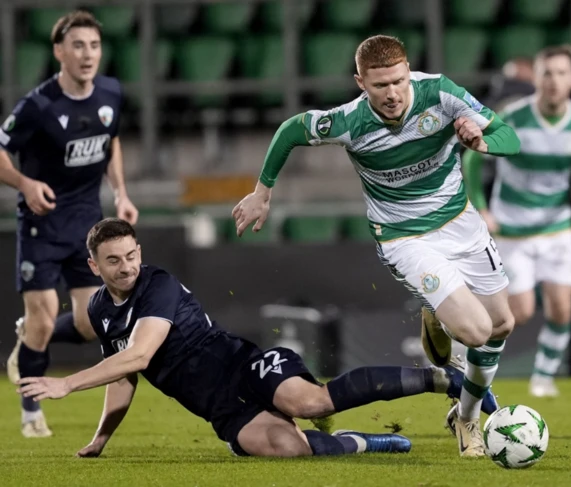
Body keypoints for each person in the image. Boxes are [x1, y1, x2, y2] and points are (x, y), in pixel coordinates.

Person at [231, 35, 520, 457]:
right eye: (380, 85)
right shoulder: (348, 121)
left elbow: (510, 137)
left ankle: (465, 416)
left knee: (502, 325)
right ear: (360, 82)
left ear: (409, 73)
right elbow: (291, 129)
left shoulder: (441, 93)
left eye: (399, 81)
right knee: (474, 330)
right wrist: (263, 192)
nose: (392, 94)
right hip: (404, 237)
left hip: (462, 225)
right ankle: (443, 325)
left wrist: (482, 141)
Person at [18, 218, 496, 458]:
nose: (127, 267)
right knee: (288, 450)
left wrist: (65, 383)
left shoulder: (156, 285)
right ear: (94, 267)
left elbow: (140, 353)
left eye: (131, 255)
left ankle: (444, 380)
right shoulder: (101, 308)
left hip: (243, 365)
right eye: (114, 261)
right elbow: (124, 376)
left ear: (139, 251)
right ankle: (367, 443)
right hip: (220, 408)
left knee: (310, 403)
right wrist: (101, 438)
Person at [0, 10, 138, 437]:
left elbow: (110, 142)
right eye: (78, 45)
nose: (87, 54)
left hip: (86, 225)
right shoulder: (38, 105)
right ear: (59, 51)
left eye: (94, 45)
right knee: (42, 321)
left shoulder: (111, 93)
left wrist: (120, 192)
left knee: (87, 323)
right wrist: (24, 183)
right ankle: (30, 413)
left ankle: (28, 338)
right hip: (41, 225)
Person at [462, 45, 571, 398]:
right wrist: (480, 205)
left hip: (557, 230)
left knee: (561, 307)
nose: (553, 81)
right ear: (535, 78)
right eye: (547, 73)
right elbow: (474, 159)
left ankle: (542, 377)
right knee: (517, 314)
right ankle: (464, 358)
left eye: (560, 73)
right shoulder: (513, 118)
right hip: (512, 231)